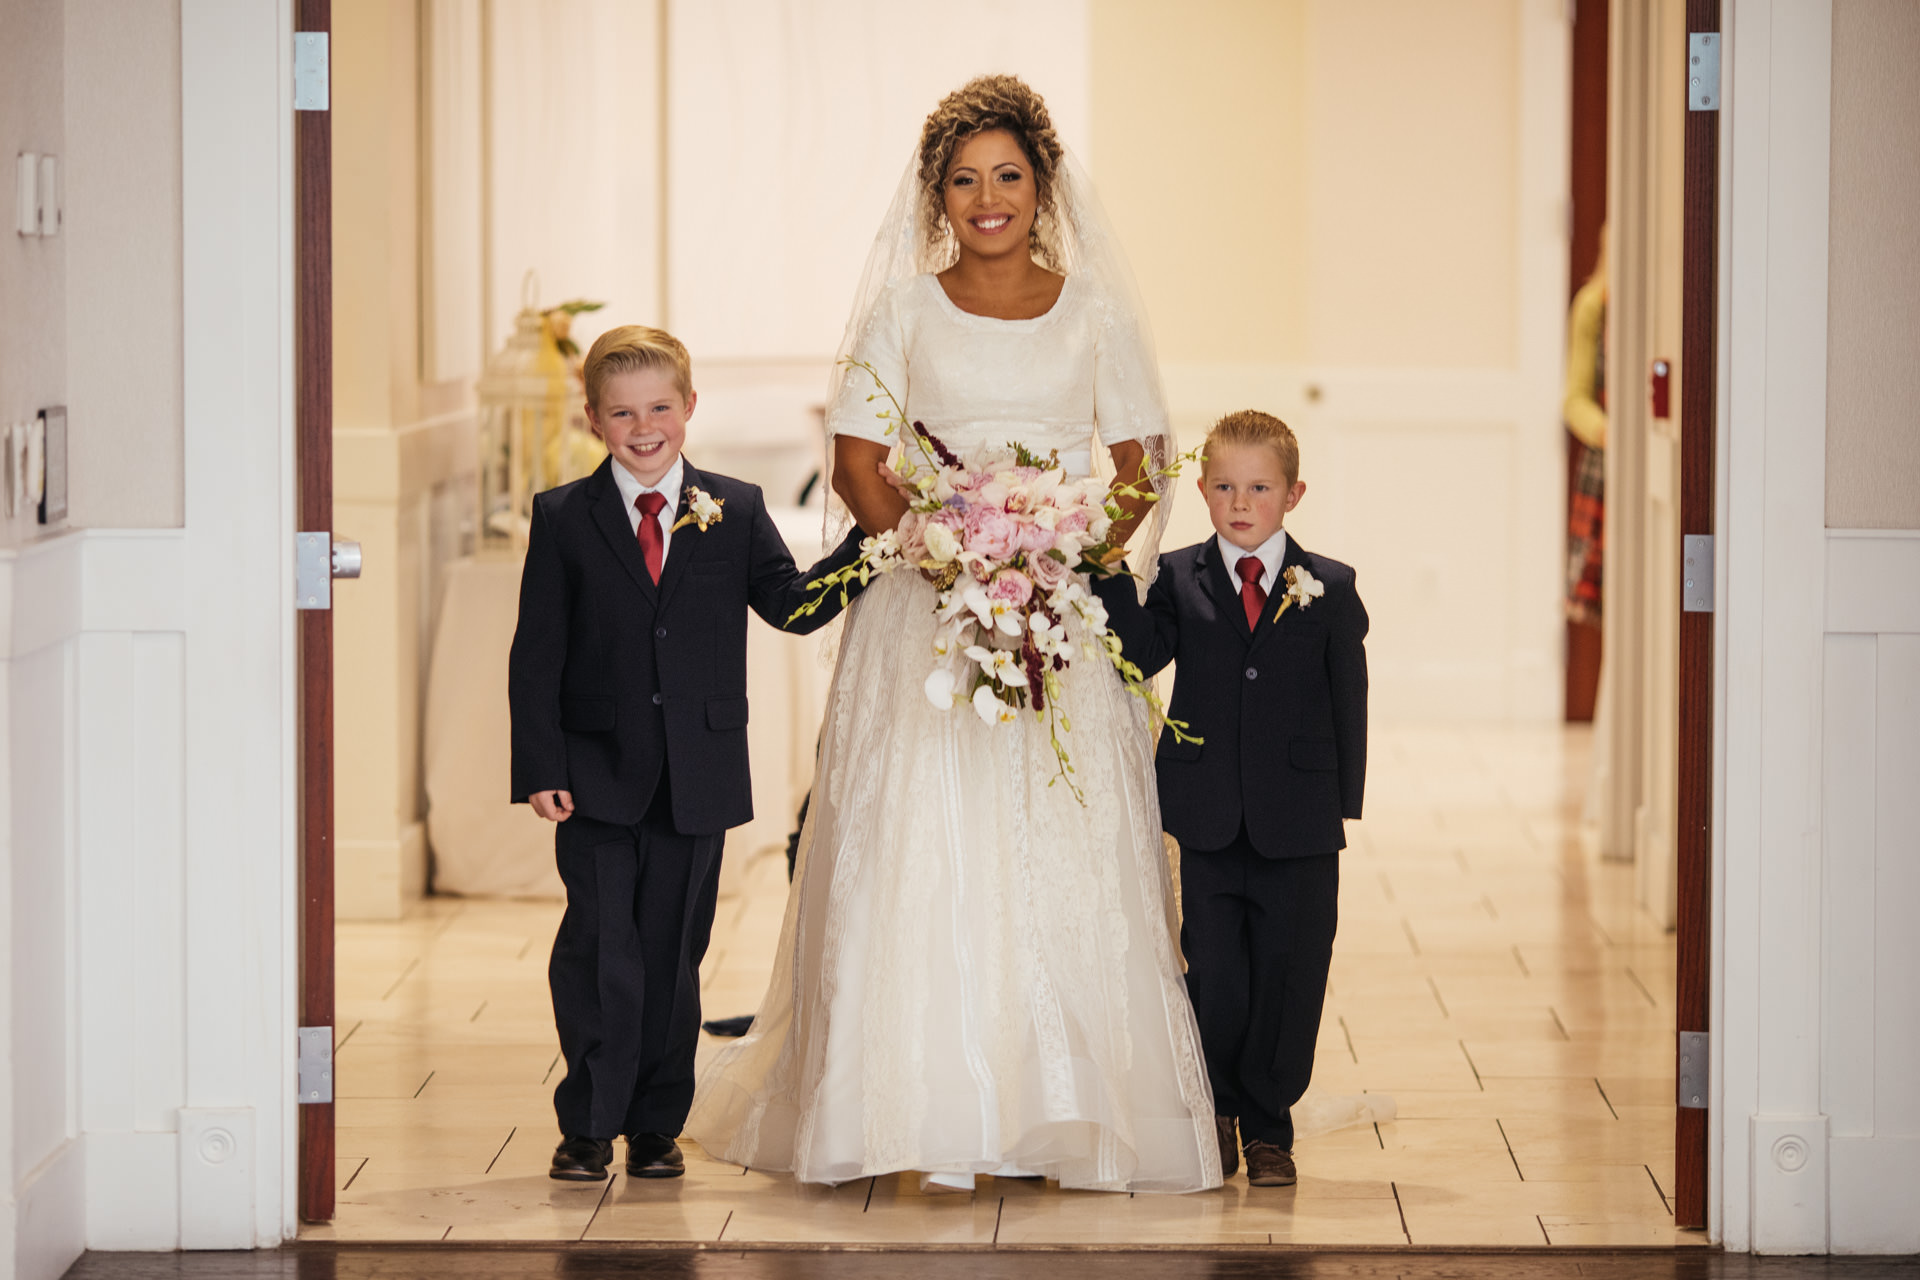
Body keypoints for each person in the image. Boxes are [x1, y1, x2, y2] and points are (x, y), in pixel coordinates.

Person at [686, 75, 1220, 1194]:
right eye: (965, 180)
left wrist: (1055, 555)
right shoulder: (902, 311)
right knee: (914, 845)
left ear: (1043, 187)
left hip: (1057, 617)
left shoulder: (1097, 314)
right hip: (923, 617)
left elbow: (1134, 467)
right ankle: (909, 1107)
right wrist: (951, 554)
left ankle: (1058, 1111)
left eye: (1007, 177)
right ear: (938, 196)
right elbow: (858, 464)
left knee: (1057, 849)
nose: (988, 199)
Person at [508, 325, 866, 1183]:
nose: (644, 426)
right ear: (595, 418)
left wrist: (871, 550)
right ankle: (589, 1122)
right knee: (600, 951)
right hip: (594, 775)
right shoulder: (563, 515)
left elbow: (791, 606)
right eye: (623, 411)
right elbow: (537, 652)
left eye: (660, 407)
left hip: (697, 774)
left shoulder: (734, 508)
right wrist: (542, 767)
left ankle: (657, 1123)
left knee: (674, 954)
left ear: (689, 408)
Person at [1091, 410, 1368, 1187]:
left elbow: (1350, 696)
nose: (1240, 502)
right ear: (1203, 491)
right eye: (1223, 486)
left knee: (1292, 967)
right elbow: (1139, 655)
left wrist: (1343, 800)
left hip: (1299, 819)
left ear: (1293, 494)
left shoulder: (1332, 587)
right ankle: (1211, 1108)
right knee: (1214, 967)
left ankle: (1269, 1125)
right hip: (1206, 805)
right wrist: (1111, 573)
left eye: (1258, 487)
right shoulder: (1180, 576)